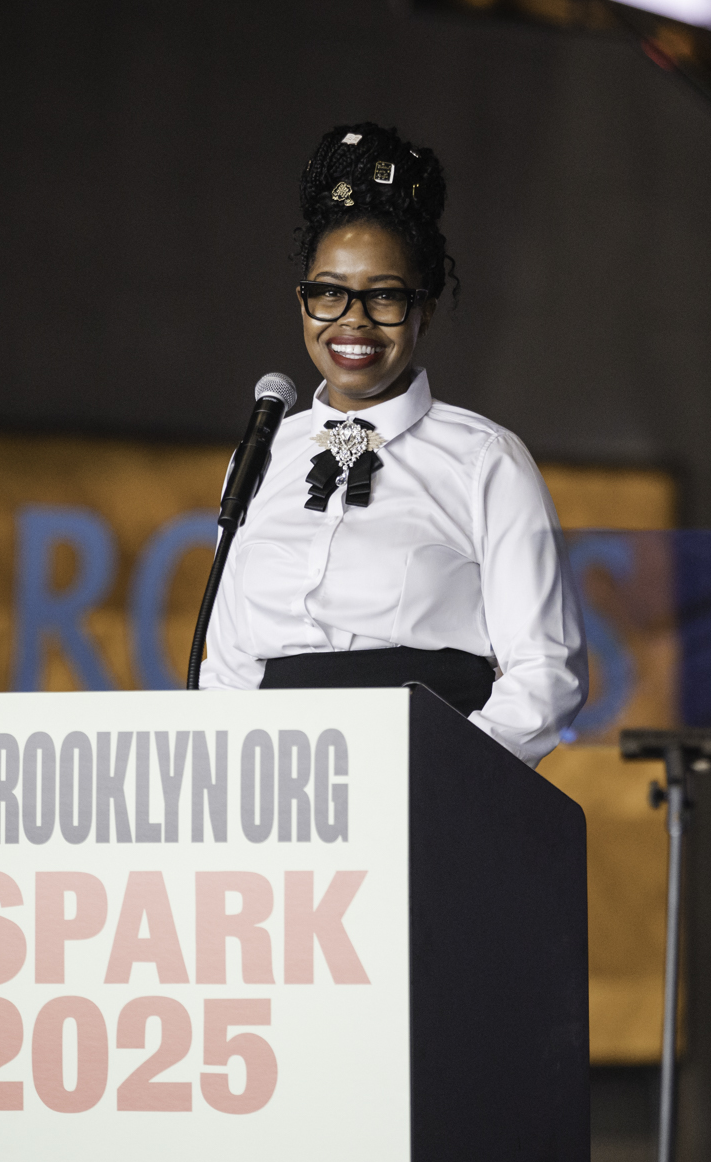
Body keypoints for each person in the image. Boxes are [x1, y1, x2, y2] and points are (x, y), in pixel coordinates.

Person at [199, 122, 587, 767]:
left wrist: (436, 782)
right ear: (303, 304)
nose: (352, 319)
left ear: (425, 310)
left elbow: (547, 672)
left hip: (426, 781)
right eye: (328, 292)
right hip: (272, 801)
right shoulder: (260, 455)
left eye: (383, 296)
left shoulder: (486, 460)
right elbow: (230, 670)